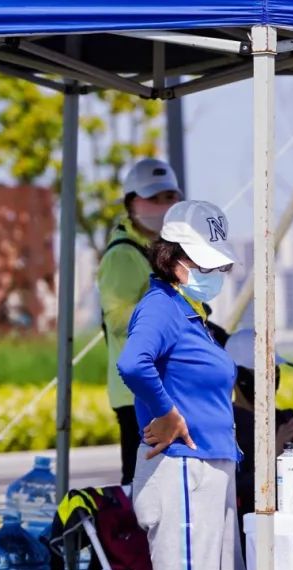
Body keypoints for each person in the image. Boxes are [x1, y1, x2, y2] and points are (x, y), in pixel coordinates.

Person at [117, 199, 249, 570]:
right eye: (204, 263)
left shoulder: (182, 308)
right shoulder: (159, 307)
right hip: (183, 470)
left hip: (209, 468)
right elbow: (133, 363)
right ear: (172, 258)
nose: (214, 272)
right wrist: (168, 414)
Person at [98, 158, 183, 486]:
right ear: (131, 202)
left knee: (162, 482)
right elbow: (118, 318)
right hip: (137, 391)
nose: (162, 205)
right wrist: (168, 312)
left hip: (159, 388)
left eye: (169, 197)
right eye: (153, 197)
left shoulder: (162, 249)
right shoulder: (122, 255)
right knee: (143, 484)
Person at [223, 327, 293, 544]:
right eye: (263, 373)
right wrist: (275, 449)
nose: (273, 378)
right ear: (238, 377)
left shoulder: (286, 418)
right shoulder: (226, 426)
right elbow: (236, 488)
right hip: (251, 537)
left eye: (275, 371)